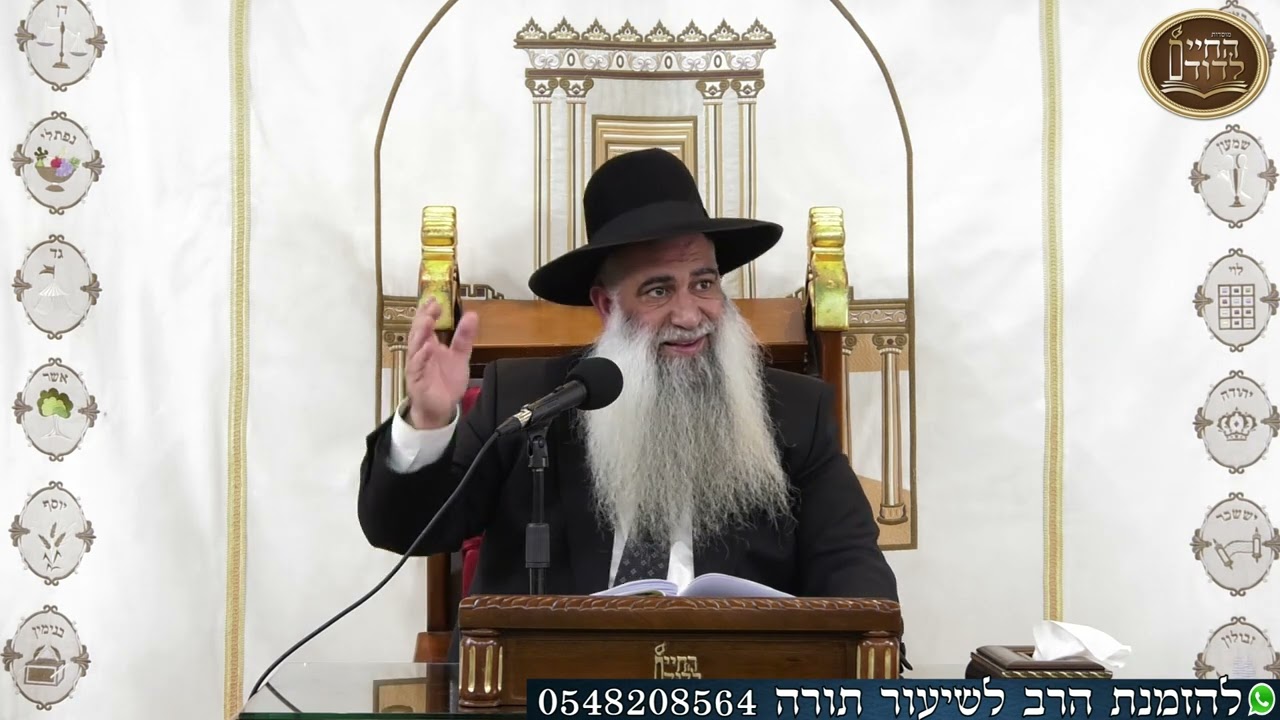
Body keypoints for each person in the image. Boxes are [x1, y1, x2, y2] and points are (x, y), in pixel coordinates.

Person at [357, 148, 898, 605]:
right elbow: (406, 530)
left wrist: (868, 655)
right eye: (658, 290)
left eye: (704, 283)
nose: (689, 315)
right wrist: (427, 421)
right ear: (606, 305)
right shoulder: (528, 402)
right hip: (548, 686)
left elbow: (851, 566)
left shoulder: (794, 412)